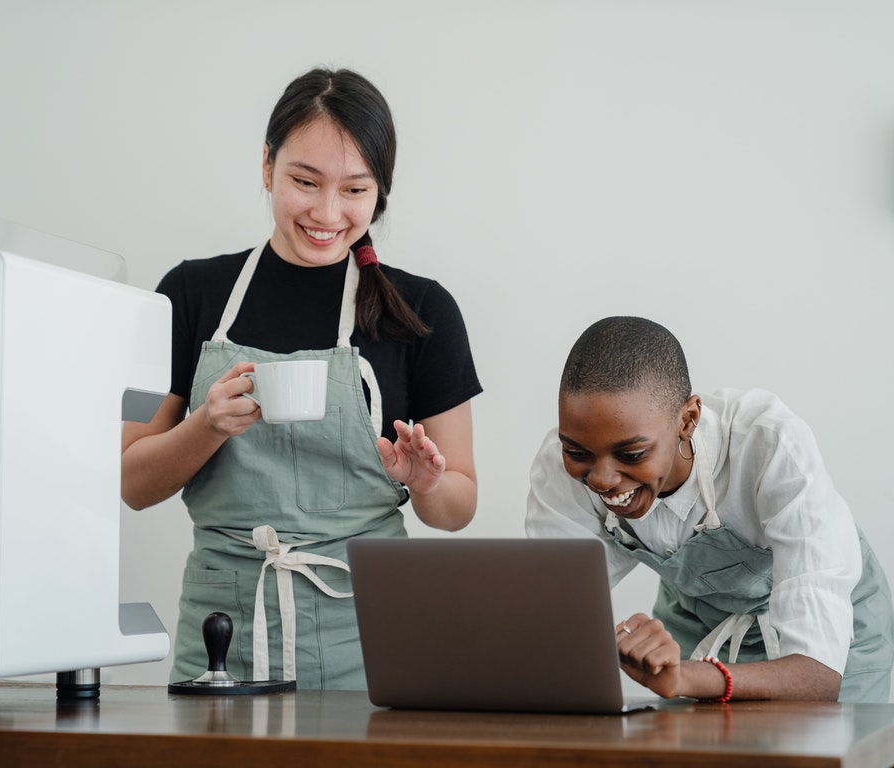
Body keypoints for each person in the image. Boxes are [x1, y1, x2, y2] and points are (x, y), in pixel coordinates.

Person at [121, 68, 482, 690]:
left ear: (380, 192)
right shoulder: (186, 296)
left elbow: (460, 506)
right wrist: (205, 427)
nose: (327, 212)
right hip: (221, 640)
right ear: (267, 167)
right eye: (304, 182)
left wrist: (427, 483)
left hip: (372, 640)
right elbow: (130, 478)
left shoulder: (424, 314)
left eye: (355, 190)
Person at [526, 316, 893, 703]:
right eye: (577, 452)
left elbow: (817, 678)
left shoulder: (768, 445)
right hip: (698, 623)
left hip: (833, 639)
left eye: (631, 454)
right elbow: (552, 612)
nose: (601, 479)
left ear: (688, 420)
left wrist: (687, 677)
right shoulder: (560, 466)